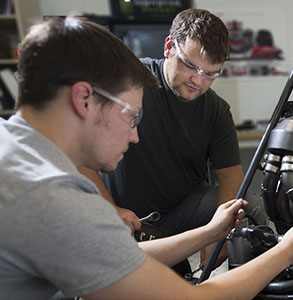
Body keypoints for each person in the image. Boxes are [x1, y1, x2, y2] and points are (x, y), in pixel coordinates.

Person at [0, 16, 293, 299]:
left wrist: (210, 233)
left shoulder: (18, 155)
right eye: (131, 116)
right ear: (84, 99)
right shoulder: (51, 195)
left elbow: (123, 255)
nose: (134, 135)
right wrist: (287, 252)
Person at [80, 8, 266, 266]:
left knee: (251, 205)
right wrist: (109, 209)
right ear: (168, 47)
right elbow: (79, 157)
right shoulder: (126, 81)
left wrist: (220, 230)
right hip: (126, 215)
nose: (198, 81)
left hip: (182, 212)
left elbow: (232, 177)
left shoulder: (216, 111)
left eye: (210, 73)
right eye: (189, 65)